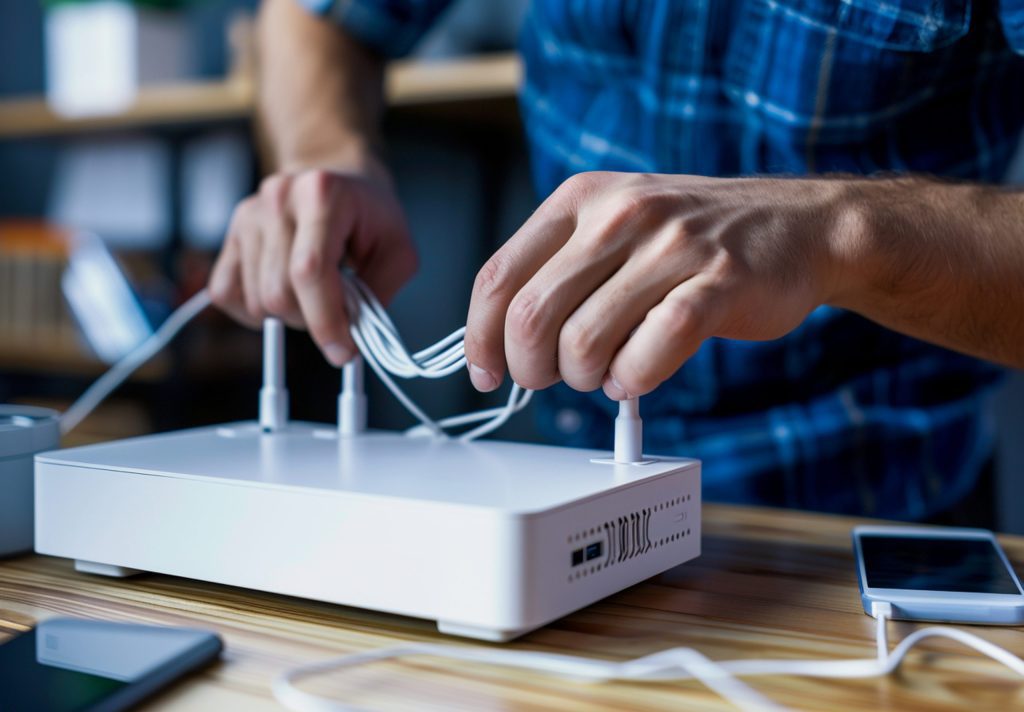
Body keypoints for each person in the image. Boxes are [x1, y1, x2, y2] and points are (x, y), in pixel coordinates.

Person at [209, 0, 1024, 522]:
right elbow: (320, 14)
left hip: (874, 517)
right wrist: (326, 151)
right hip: (565, 481)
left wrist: (836, 232)